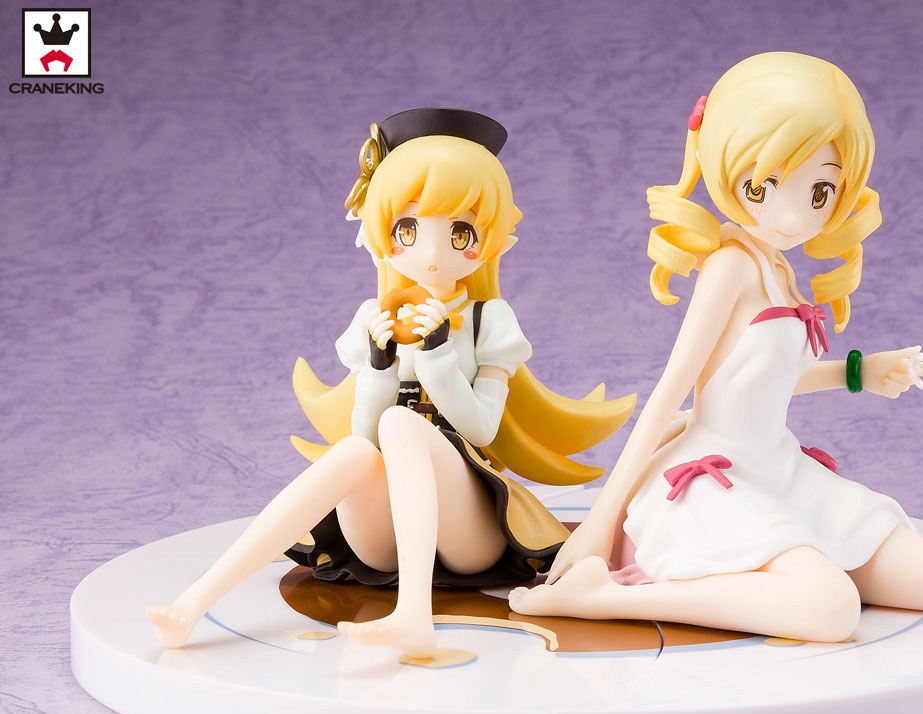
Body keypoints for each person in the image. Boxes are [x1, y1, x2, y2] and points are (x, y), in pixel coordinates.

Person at [509, 54, 923, 642]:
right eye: (765, 185)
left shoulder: (780, 269)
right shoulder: (730, 266)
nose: (792, 217)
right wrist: (602, 521)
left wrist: (860, 371)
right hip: (715, 479)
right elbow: (673, 388)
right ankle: (606, 598)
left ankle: (789, 575)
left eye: (820, 191)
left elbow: (765, 378)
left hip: (777, 467)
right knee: (830, 610)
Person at [147, 108, 634, 658]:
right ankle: (194, 602)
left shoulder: (487, 321)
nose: (433, 254)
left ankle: (413, 615)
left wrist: (437, 355)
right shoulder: (373, 317)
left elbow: (480, 428)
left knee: (402, 424)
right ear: (381, 234)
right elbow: (364, 435)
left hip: (467, 528)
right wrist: (380, 365)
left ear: (491, 240)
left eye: (460, 233)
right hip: (385, 539)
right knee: (356, 450)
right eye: (408, 230)